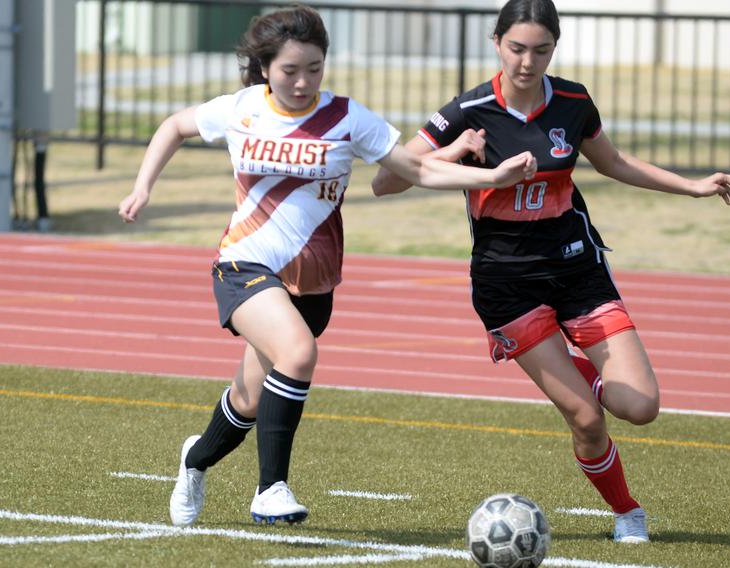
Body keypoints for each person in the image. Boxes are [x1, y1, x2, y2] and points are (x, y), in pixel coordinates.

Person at [118, 5, 536, 527]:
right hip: (243, 264)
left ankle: (194, 460)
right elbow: (173, 127)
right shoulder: (242, 108)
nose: (301, 81)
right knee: (298, 352)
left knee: (248, 401)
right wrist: (143, 186)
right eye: (290, 70)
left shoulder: (347, 117)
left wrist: (491, 178)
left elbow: (415, 171)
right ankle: (270, 489)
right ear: (265, 67)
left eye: (313, 69)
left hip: (312, 284)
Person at [371, 0, 730, 543]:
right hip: (508, 284)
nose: (527, 62)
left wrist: (693, 185)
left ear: (555, 48)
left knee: (638, 406)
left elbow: (613, 163)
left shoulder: (573, 101)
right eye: (517, 48)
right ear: (496, 42)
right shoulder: (467, 110)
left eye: (540, 50)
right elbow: (386, 183)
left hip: (577, 270)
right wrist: (457, 153)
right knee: (589, 420)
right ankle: (627, 512)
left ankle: (583, 373)